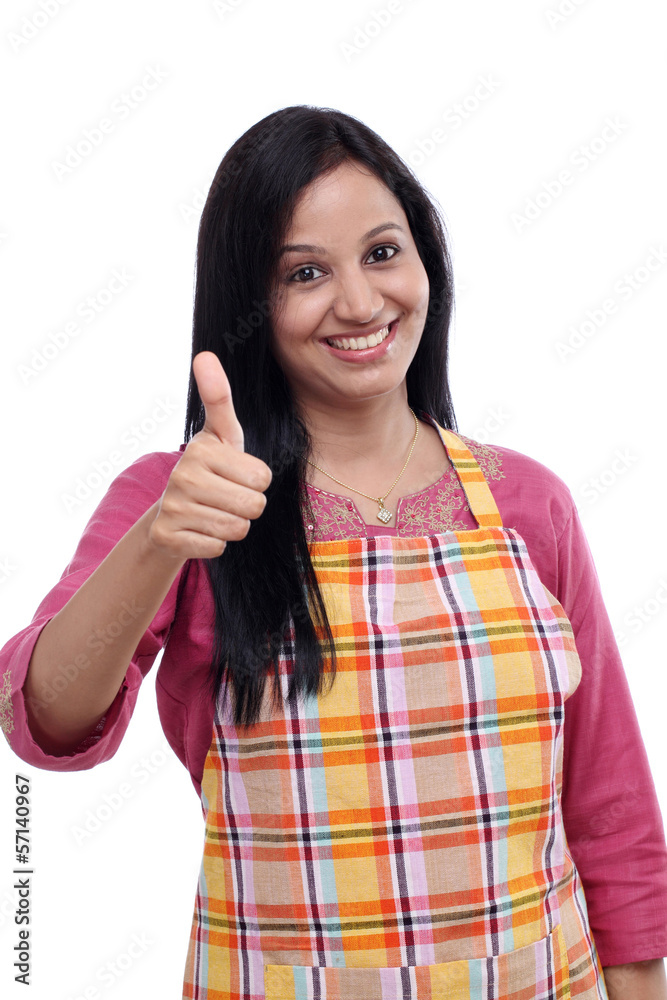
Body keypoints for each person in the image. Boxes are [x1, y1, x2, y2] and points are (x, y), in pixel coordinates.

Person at [1, 105, 666, 1000]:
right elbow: (43, 722)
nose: (359, 303)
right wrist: (161, 539)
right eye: (305, 272)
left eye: (383, 252)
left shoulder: (528, 503)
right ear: (248, 302)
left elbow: (607, 801)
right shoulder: (187, 497)